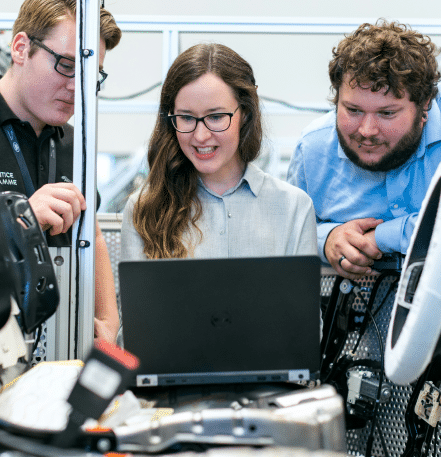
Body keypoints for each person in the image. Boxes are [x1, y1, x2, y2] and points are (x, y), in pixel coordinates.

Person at [0, 0, 121, 343]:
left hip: (58, 347)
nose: (77, 87)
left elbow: (93, 234)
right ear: (21, 48)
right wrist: (19, 220)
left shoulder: (75, 145)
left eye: (90, 75)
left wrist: (107, 319)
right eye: (67, 65)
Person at [121, 43, 318, 261]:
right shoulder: (143, 210)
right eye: (186, 118)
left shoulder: (294, 208)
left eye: (215, 117)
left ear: (244, 114)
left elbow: (299, 295)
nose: (201, 136)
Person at [287, 20, 441, 281]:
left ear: (425, 104)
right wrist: (327, 239)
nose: (367, 130)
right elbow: (288, 231)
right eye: (353, 110)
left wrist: (382, 237)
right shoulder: (313, 149)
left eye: (387, 113)